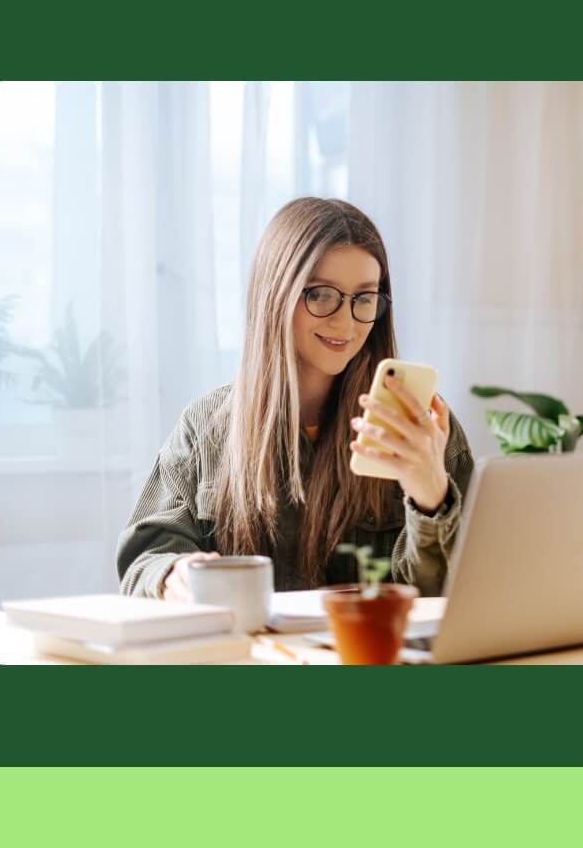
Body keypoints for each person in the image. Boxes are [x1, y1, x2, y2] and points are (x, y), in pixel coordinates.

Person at [116, 197, 474, 600]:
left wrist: (431, 500)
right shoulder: (207, 426)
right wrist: (173, 573)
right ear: (277, 294)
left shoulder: (420, 428)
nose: (345, 321)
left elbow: (454, 596)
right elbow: (144, 557)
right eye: (321, 295)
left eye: (364, 298)